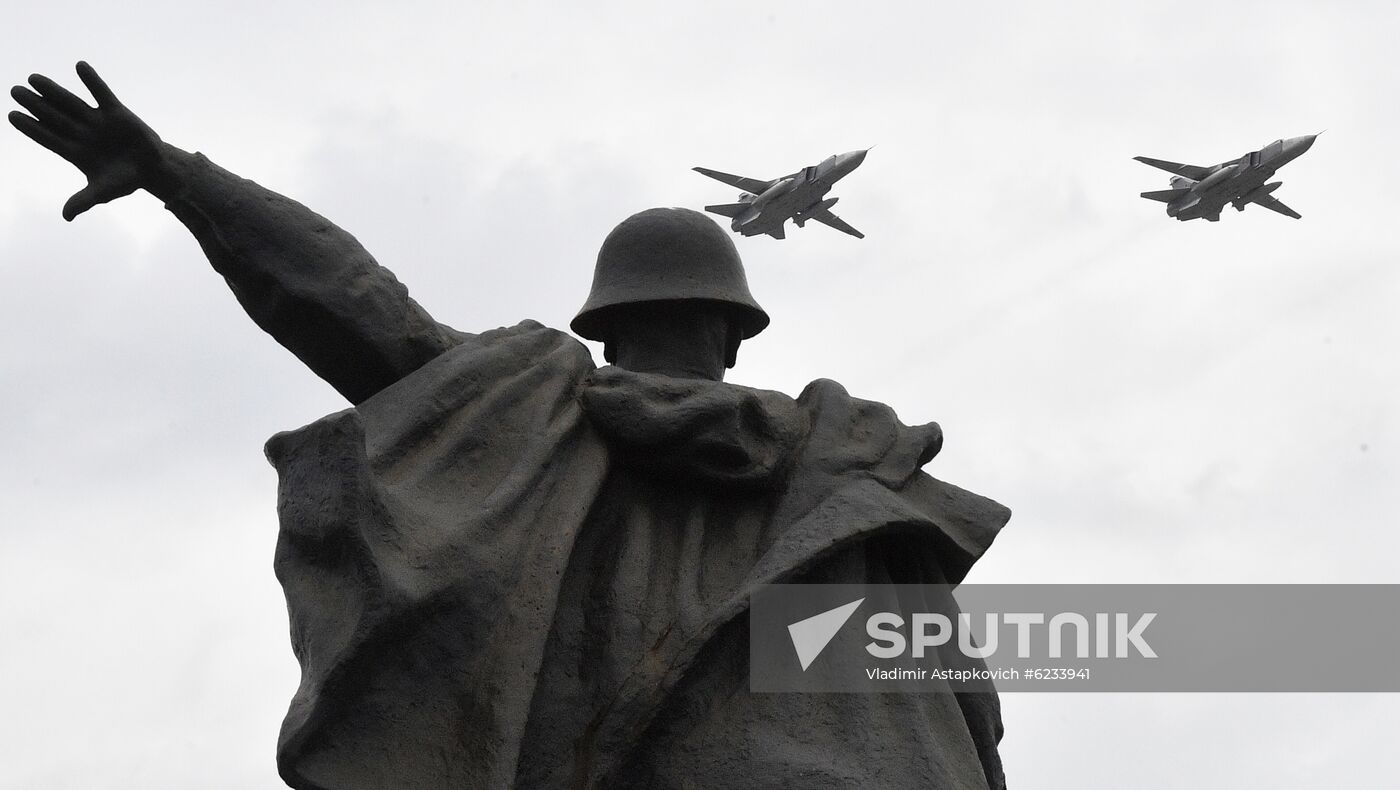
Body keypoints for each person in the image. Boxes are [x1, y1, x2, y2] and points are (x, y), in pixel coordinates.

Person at [11, 62, 1012, 790]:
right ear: (733, 330)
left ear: (604, 323)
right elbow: (955, 713)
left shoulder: (528, 408)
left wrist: (180, 179)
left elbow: (353, 302)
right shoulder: (851, 470)